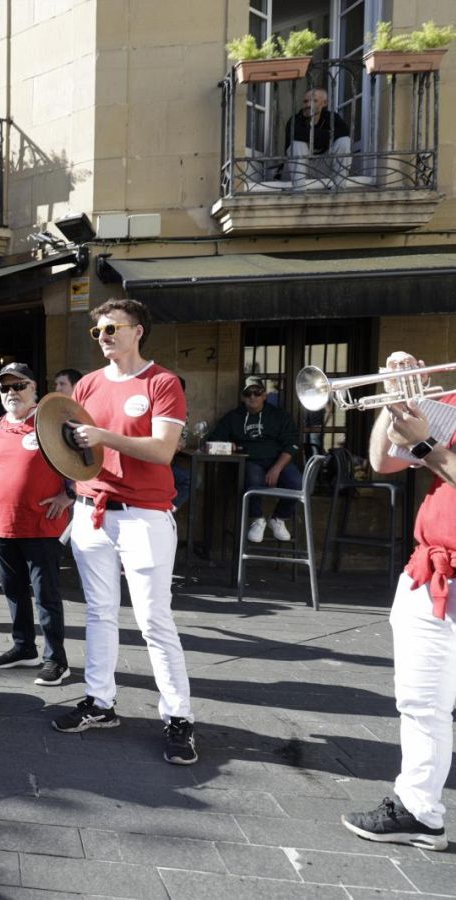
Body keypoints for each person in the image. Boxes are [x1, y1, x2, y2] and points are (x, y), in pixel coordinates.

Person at [53, 298, 197, 766]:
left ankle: (179, 718)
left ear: (138, 331)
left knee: (154, 619)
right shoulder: (90, 385)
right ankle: (100, 702)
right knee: (98, 612)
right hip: (92, 509)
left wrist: (103, 438)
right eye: (97, 332)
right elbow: (75, 444)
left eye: (112, 328)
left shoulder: (162, 382)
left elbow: (162, 451)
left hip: (144, 515)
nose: (104, 337)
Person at [341, 351, 454, 852]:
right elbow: (383, 461)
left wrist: (427, 443)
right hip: (429, 573)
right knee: (421, 701)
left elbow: (429, 452)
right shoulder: (452, 401)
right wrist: (398, 400)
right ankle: (418, 809)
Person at [0, 363, 73, 685]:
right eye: (5, 387)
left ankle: (56, 660)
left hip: (41, 525)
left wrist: (70, 495)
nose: (11, 393)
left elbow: (84, 460)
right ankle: (24, 648)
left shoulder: (49, 422)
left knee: (45, 594)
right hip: (4, 526)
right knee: (13, 591)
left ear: (34, 388)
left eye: (18, 385)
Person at [206, 376, 302, 543]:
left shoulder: (279, 415)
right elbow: (214, 438)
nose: (252, 397)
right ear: (243, 397)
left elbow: (292, 444)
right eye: (248, 393)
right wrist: (228, 444)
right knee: (252, 478)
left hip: (278, 460)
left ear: (264, 395)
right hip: (250, 460)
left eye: (257, 392)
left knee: (296, 482)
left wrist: (277, 468)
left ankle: (278, 518)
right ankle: (257, 519)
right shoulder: (234, 417)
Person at [285, 88, 351, 183]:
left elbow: (344, 132)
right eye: (305, 101)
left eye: (314, 101)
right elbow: (297, 135)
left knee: (343, 141)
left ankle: (339, 186)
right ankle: (298, 191)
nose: (308, 105)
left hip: (324, 168)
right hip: (296, 172)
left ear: (324, 103)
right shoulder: (295, 120)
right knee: (297, 144)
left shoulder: (332, 118)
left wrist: (311, 135)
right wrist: (329, 134)